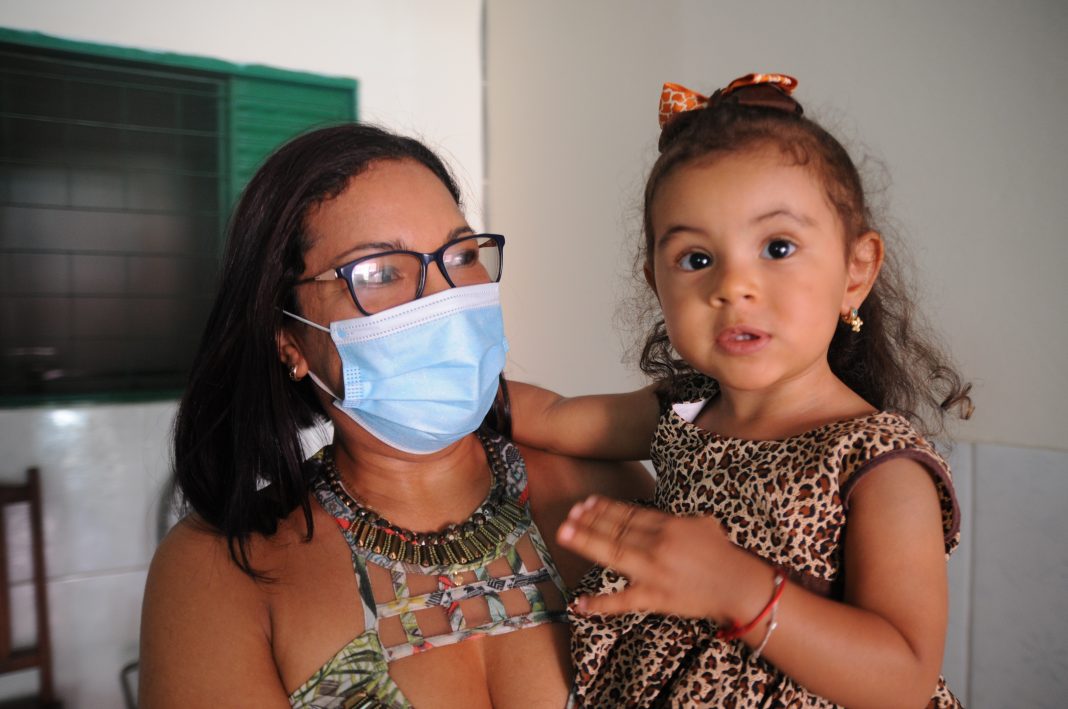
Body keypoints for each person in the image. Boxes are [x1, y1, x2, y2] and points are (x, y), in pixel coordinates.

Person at [138, 124, 651, 708]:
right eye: (379, 272)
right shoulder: (218, 570)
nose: (444, 297)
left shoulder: (608, 491)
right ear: (289, 340)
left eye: (461, 255)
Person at [509, 74, 973, 707]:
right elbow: (553, 417)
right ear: (657, 284)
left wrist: (734, 586)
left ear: (855, 271)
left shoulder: (879, 462)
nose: (732, 286)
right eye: (696, 259)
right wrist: (436, 389)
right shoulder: (684, 409)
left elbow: (904, 679)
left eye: (777, 247)